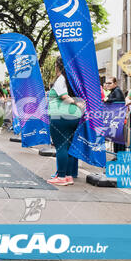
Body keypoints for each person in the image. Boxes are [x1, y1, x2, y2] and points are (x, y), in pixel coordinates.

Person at [47, 57, 85, 186]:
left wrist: (76, 102)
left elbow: (63, 96)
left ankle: (61, 176)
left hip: (60, 115)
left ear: (57, 65)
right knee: (67, 146)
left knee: (61, 147)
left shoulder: (61, 79)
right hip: (74, 116)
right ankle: (68, 176)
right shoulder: (72, 79)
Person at [104, 76, 126, 156]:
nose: (107, 85)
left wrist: (107, 100)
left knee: (118, 137)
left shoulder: (117, 90)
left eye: (110, 83)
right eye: (106, 83)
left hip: (118, 117)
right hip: (115, 117)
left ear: (115, 83)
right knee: (116, 137)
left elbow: (119, 99)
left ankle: (120, 156)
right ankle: (117, 155)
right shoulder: (113, 90)